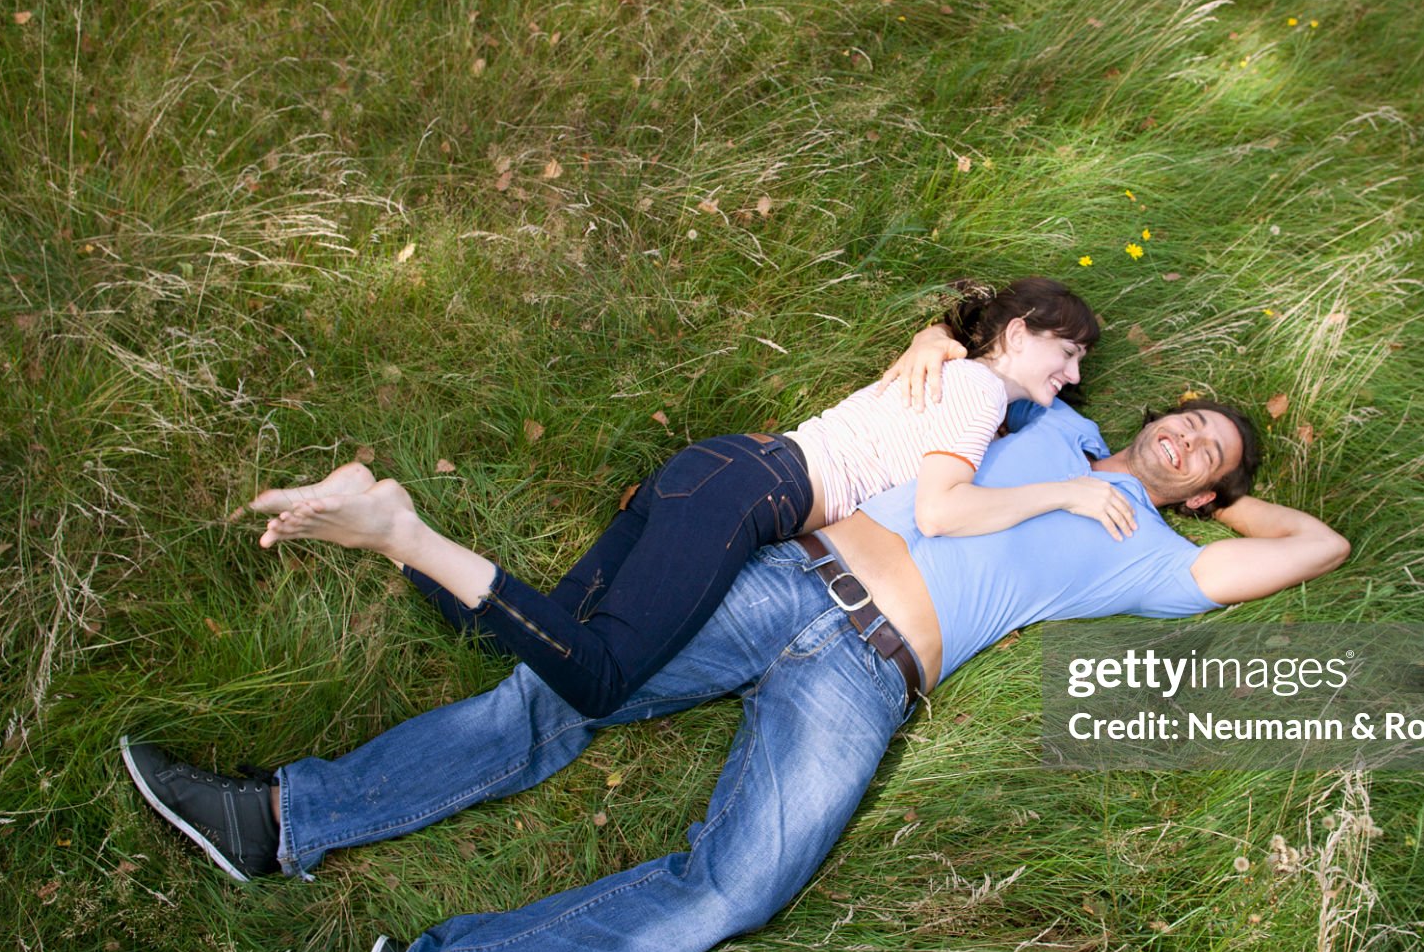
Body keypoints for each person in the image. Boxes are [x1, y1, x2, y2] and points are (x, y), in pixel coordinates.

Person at [122, 383, 1348, 952]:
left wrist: (1198, 497)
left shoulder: (1158, 564)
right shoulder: (1049, 419)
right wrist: (1072, 443)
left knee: (739, 890)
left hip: (868, 676)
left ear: (1212, 492)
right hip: (788, 582)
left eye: (1211, 450)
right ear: (1142, 412)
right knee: (551, 701)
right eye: (1185, 418)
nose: (1187, 437)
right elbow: (956, 354)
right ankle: (276, 818)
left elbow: (1317, 543)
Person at [246, 279, 1134, 720]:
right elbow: (942, 510)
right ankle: (403, 524)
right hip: (755, 493)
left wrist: (940, 334)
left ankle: (383, 515)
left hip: (720, 468)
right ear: (1018, 333)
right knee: (596, 679)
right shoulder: (976, 391)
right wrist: (1071, 493)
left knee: (536, 626)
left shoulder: (952, 371)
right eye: (1069, 351)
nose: (1075, 372)